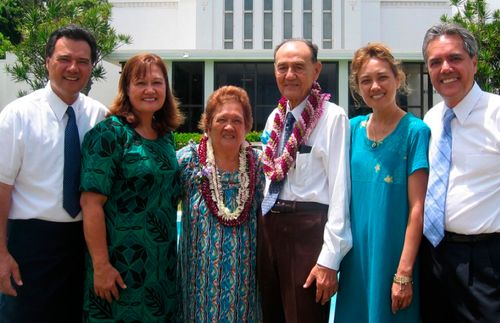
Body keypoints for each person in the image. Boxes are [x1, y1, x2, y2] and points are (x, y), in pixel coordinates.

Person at [0, 25, 107, 322]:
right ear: (47, 61)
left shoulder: (100, 117)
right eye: (64, 59)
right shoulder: (18, 115)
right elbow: (1, 188)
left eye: (83, 61)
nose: (73, 68)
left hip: (83, 245)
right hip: (30, 246)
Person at [79, 53, 183, 321]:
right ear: (126, 88)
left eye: (157, 83)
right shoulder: (109, 135)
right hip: (120, 269)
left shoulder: (166, 138)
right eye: (140, 83)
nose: (150, 90)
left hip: (161, 270)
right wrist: (101, 266)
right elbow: (91, 204)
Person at [334, 43, 430, 323]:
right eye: (366, 80)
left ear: (398, 79)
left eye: (382, 77)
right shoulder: (351, 129)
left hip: (392, 257)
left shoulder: (416, 132)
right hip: (354, 261)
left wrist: (404, 272)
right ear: (357, 86)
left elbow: (417, 209)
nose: (375, 86)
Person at [258, 39, 351, 322]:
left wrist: (329, 260)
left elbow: (340, 190)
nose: (289, 75)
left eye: (298, 67)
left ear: (316, 70)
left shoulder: (332, 117)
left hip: (307, 232)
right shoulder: (275, 117)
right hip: (268, 227)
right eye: (282, 67)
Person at [420, 23, 500, 323]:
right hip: (435, 256)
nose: (446, 68)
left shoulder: (496, 114)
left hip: (484, 262)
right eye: (435, 62)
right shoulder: (431, 119)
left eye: (454, 58)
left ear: (474, 61)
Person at [177, 85, 265, 322]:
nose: (229, 126)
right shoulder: (188, 160)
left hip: (244, 286)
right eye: (221, 119)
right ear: (207, 124)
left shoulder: (257, 165)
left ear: (247, 125)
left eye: (237, 120)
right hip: (198, 286)